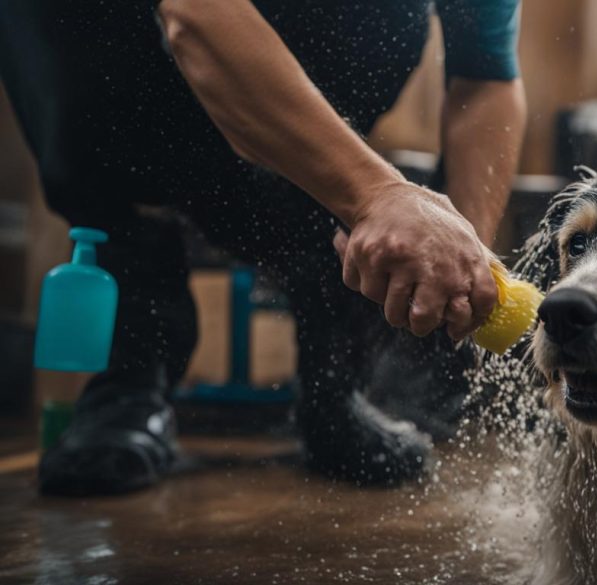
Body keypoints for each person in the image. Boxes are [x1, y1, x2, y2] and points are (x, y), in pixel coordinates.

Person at [0, 0, 525, 495]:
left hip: (310, 89)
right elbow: (199, 14)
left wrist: (461, 262)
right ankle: (130, 379)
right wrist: (375, 195)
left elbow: (484, 78)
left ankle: (335, 391)